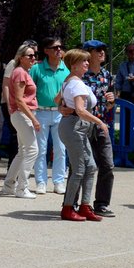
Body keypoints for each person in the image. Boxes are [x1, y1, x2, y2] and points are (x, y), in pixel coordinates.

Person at [56, 49, 108, 222]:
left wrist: (62, 107)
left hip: (76, 126)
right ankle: (68, 208)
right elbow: (80, 110)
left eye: (87, 60)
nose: (87, 63)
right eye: (83, 61)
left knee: (91, 167)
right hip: (74, 127)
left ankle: (85, 206)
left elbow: (58, 99)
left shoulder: (71, 81)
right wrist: (99, 122)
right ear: (73, 65)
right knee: (79, 169)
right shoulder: (76, 83)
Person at [81, 41, 117, 217]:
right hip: (82, 125)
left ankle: (101, 204)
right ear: (88, 53)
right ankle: (74, 203)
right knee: (81, 166)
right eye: (98, 50)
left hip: (101, 124)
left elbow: (110, 105)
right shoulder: (80, 76)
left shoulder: (108, 75)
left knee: (107, 165)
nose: (103, 52)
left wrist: (112, 100)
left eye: (104, 49)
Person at [30, 36, 69, 194]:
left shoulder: (66, 68)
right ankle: (41, 182)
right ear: (46, 51)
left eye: (60, 47)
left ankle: (59, 181)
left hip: (60, 112)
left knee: (60, 148)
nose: (58, 50)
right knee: (41, 149)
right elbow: (29, 91)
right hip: (41, 111)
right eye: (55, 47)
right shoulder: (36, 69)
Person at [1, 42, 40, 199]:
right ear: (21, 57)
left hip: (20, 114)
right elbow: (19, 99)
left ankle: (9, 184)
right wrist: (33, 119)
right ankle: (22, 188)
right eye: (29, 55)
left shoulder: (22, 71)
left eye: (34, 55)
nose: (33, 58)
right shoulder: (20, 73)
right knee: (32, 150)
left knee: (23, 151)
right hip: (22, 114)